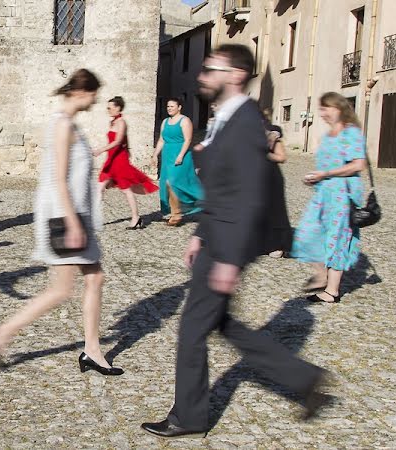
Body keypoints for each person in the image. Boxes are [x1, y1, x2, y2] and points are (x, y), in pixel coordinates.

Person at [141, 45, 328, 439]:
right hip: (217, 236)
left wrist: (228, 258)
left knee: (193, 329)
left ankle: (189, 418)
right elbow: (224, 189)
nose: (202, 75)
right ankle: (305, 380)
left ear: (237, 74)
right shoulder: (226, 118)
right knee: (220, 323)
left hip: (228, 244)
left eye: (211, 69)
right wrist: (199, 234)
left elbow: (250, 195)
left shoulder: (243, 121)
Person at [0, 69, 123, 376]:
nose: (96, 100)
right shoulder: (62, 125)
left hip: (75, 215)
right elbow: (58, 179)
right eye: (93, 94)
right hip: (66, 216)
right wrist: (73, 223)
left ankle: (92, 349)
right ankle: (3, 334)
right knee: (60, 290)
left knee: (95, 278)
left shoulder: (68, 123)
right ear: (80, 92)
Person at [290, 92, 367, 304]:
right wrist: (316, 178)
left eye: (326, 108)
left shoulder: (351, 133)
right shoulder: (328, 135)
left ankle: (331, 291)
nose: (322, 113)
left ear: (339, 108)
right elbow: (326, 166)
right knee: (305, 234)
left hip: (343, 196)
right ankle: (322, 274)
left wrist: (327, 174)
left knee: (337, 239)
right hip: (324, 194)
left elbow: (358, 164)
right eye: (321, 109)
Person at [92, 96, 158, 229]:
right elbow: (123, 142)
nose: (108, 110)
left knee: (126, 190)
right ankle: (92, 220)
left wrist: (100, 150)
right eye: (108, 108)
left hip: (119, 161)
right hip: (111, 160)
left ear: (118, 107)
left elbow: (117, 141)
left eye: (110, 108)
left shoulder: (121, 122)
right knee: (99, 188)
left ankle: (136, 217)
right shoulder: (112, 122)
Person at [152, 98, 203, 226]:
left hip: (181, 155)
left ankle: (180, 212)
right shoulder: (165, 122)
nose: (169, 108)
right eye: (168, 106)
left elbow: (188, 139)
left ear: (179, 107)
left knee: (173, 182)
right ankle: (175, 212)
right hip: (167, 155)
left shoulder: (185, 121)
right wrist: (154, 155)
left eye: (172, 106)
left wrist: (180, 155)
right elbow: (161, 140)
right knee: (166, 184)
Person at [262, 107, 291, 258]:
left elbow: (281, 157)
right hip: (249, 178)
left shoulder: (272, 132)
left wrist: (262, 154)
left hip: (270, 177)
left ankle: (275, 244)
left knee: (273, 211)